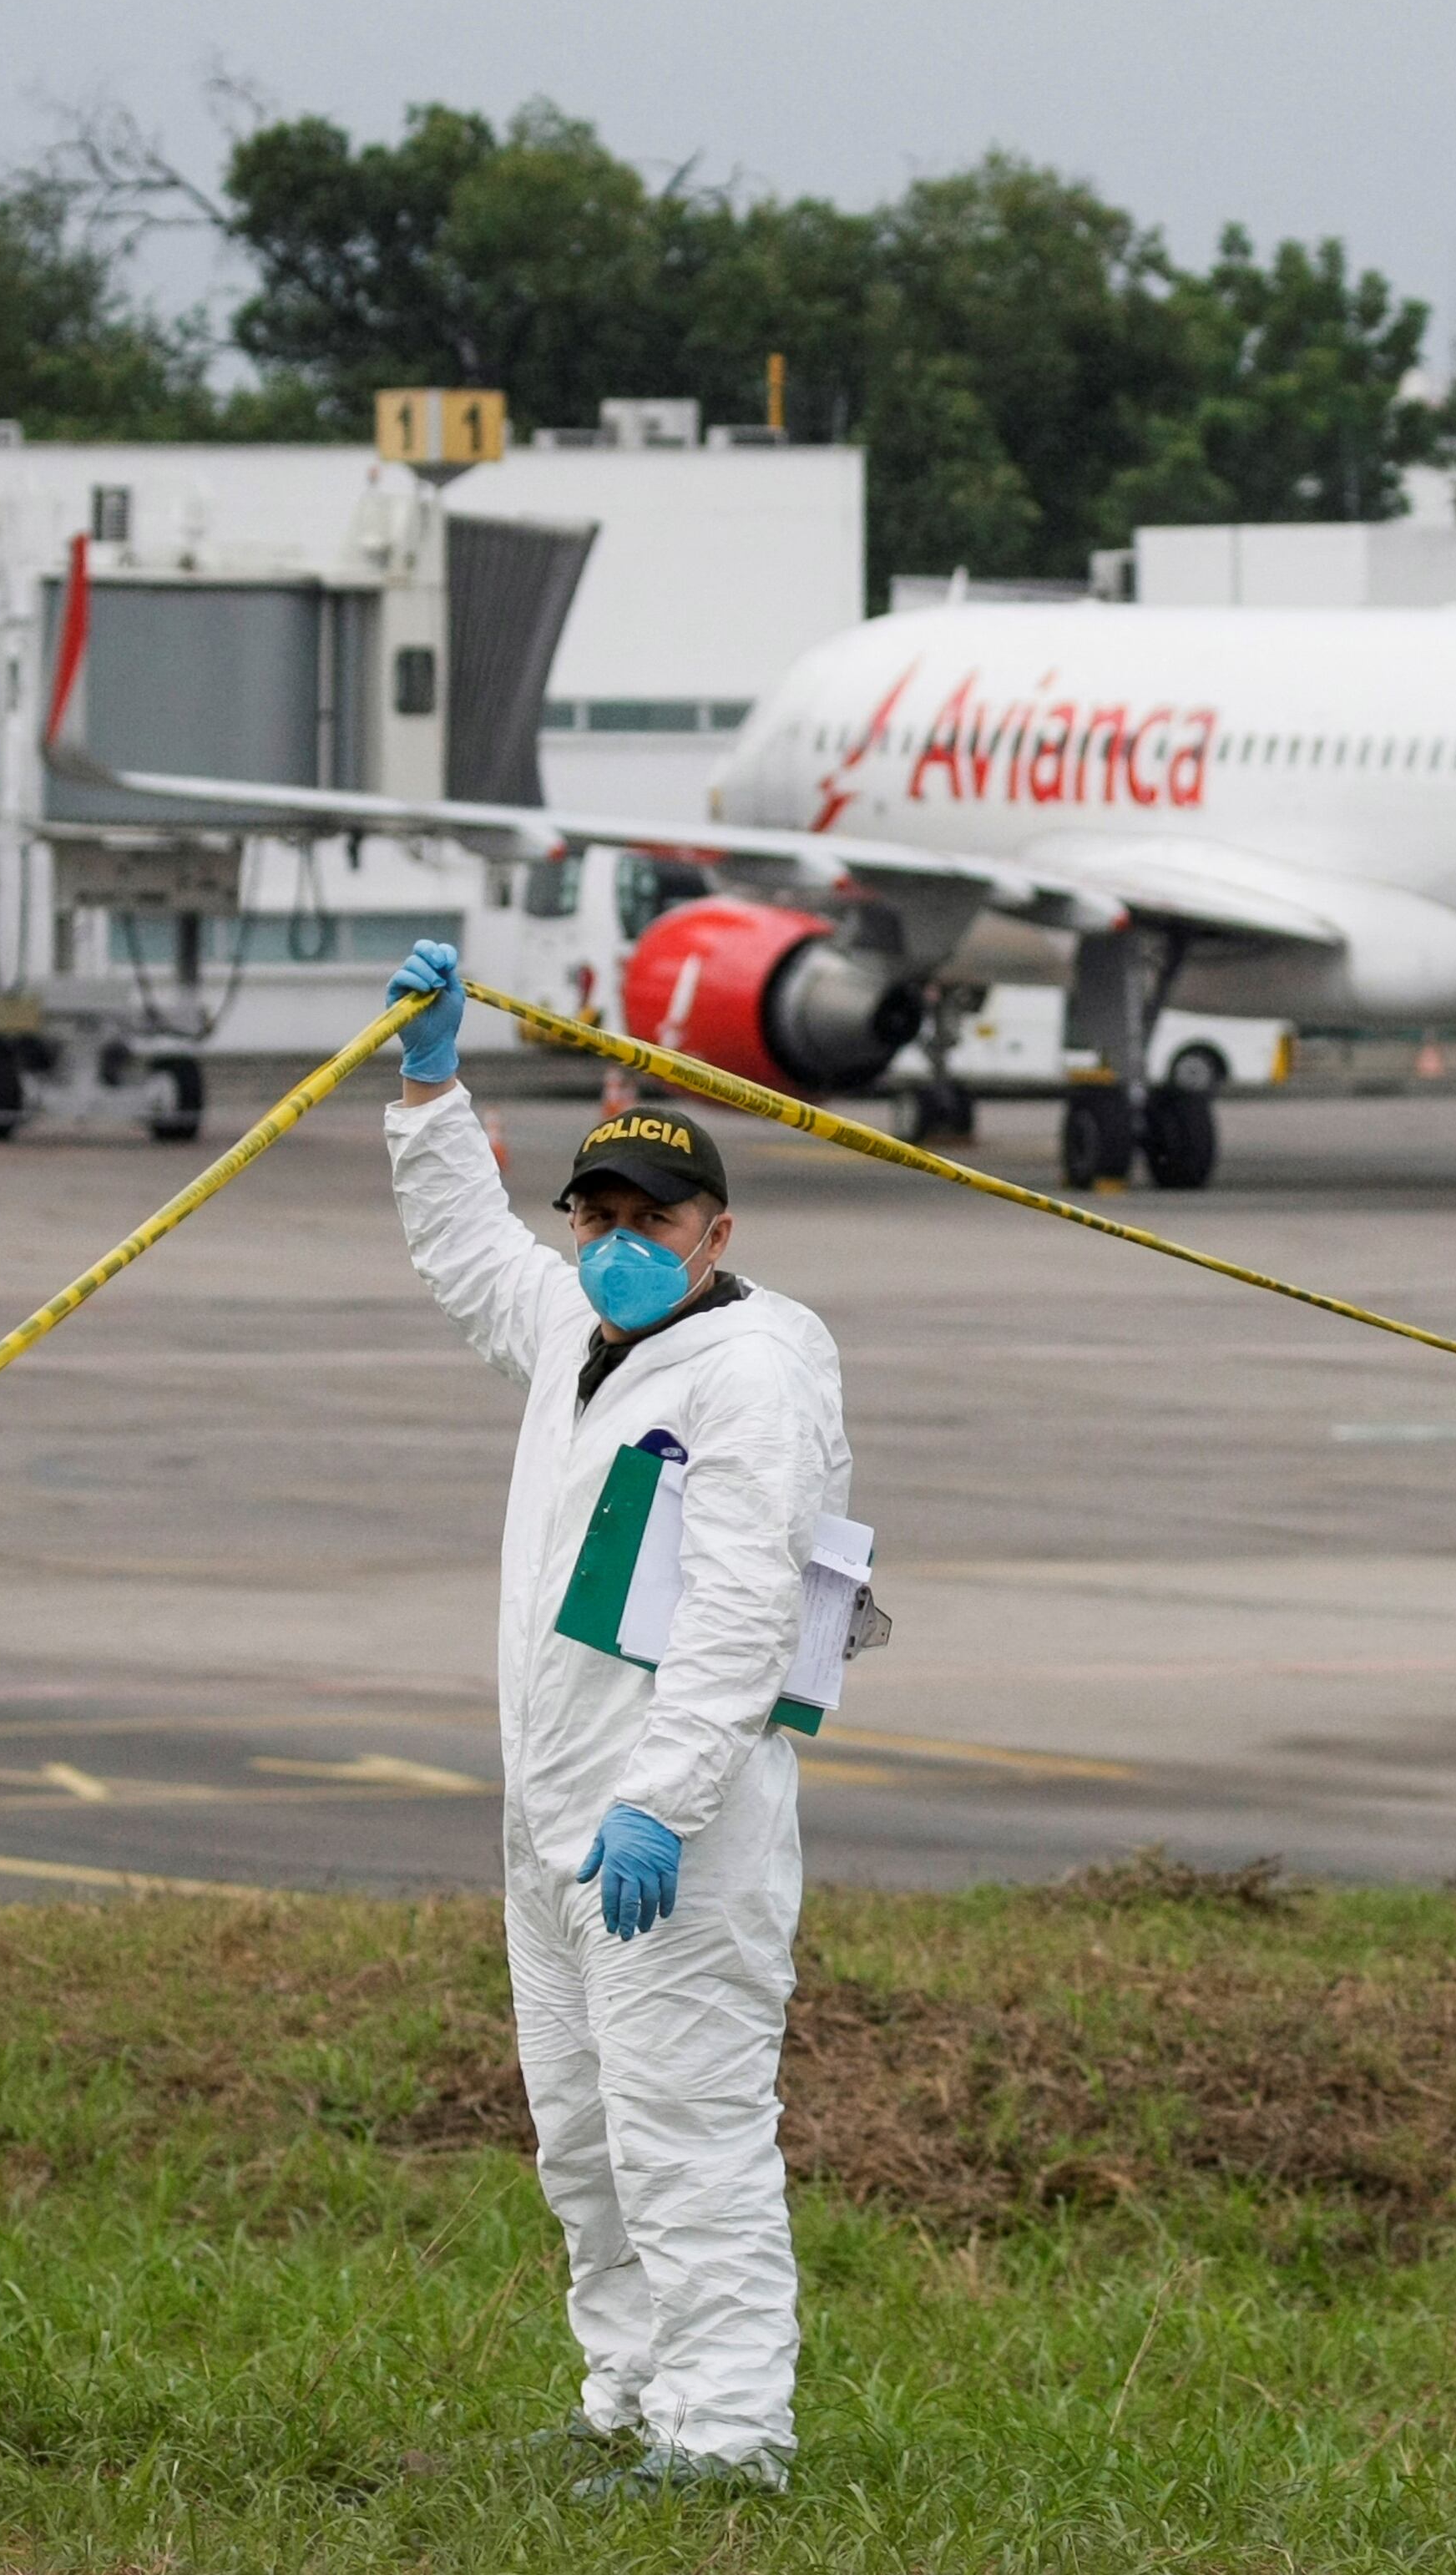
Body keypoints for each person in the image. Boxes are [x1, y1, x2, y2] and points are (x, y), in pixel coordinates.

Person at [378, 938, 848, 2497]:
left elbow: (738, 1606)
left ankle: (728, 2439)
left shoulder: (747, 1373)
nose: (621, 1241)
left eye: (656, 1219)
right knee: (584, 2143)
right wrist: (433, 1087)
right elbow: (468, 1255)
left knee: (686, 2134)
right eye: (599, 1216)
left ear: (718, 1230)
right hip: (550, 1827)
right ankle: (629, 2400)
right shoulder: (581, 1344)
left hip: (673, 1838)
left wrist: (666, 1797)